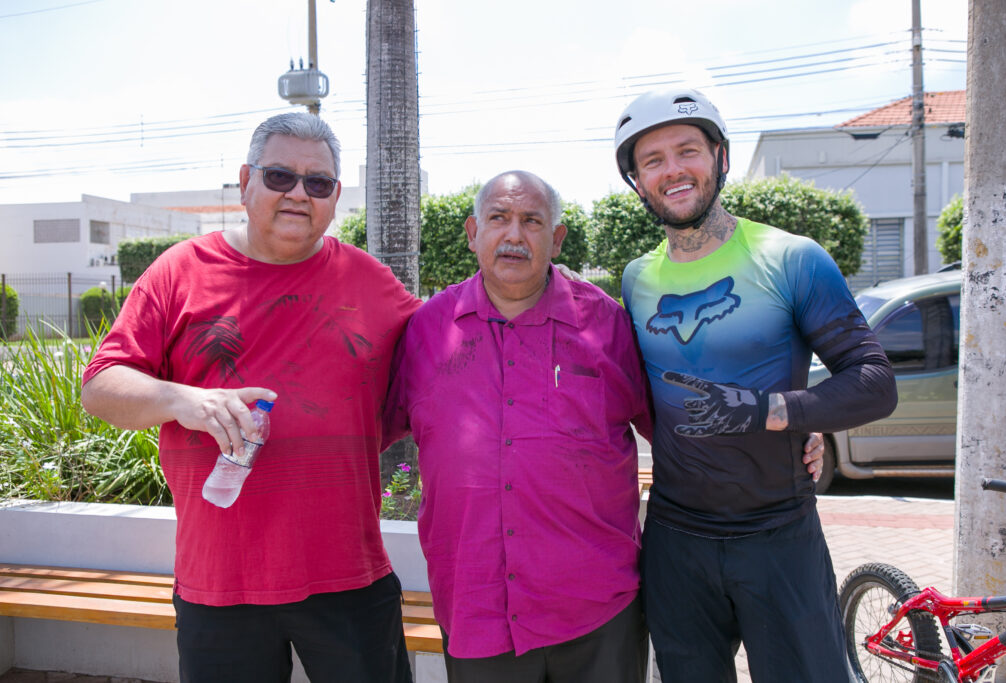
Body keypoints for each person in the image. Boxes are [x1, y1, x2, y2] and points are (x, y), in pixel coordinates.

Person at [382, 170, 825, 683]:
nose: (514, 235)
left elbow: (684, 424)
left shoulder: (609, 324)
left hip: (596, 612)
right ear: (472, 232)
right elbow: (365, 430)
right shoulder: (426, 331)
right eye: (498, 219)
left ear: (558, 237)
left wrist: (787, 433)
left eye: (532, 221)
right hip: (476, 609)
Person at [81, 112, 418, 683]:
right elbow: (101, 387)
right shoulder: (177, 273)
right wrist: (184, 400)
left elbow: (445, 363)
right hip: (220, 583)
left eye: (318, 183)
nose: (298, 194)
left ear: (335, 197)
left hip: (349, 576)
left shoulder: (373, 283)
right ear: (245, 182)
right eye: (280, 176)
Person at [613, 87, 898, 682]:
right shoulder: (636, 280)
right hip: (675, 538)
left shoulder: (792, 258)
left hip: (778, 536)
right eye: (653, 160)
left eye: (687, 150)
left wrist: (774, 412)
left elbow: (874, 383)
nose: (673, 170)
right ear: (638, 182)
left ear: (720, 157)